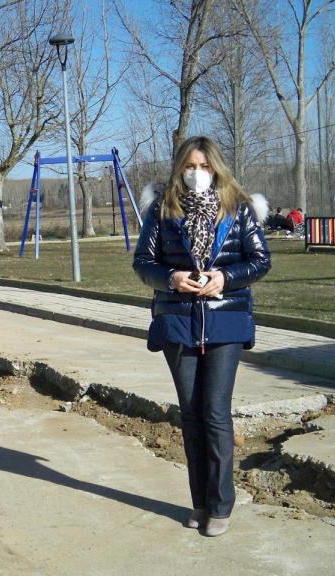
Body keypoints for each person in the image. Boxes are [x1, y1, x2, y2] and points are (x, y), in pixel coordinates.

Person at [133, 136, 271, 537]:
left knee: (214, 411)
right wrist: (171, 278)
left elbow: (260, 260)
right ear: (180, 169)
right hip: (178, 321)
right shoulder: (162, 211)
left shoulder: (238, 208)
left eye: (205, 167)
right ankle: (200, 501)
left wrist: (226, 278)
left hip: (226, 321)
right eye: (190, 167)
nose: (197, 175)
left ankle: (223, 503)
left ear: (217, 169)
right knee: (191, 415)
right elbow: (143, 263)